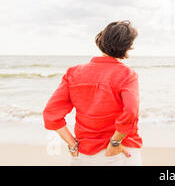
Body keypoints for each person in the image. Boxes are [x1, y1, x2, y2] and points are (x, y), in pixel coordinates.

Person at [43, 20, 142, 165]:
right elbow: (131, 112)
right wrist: (115, 142)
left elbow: (51, 113)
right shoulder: (127, 75)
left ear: (101, 40)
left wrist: (72, 144)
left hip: (83, 154)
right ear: (128, 47)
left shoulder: (74, 72)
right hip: (119, 151)